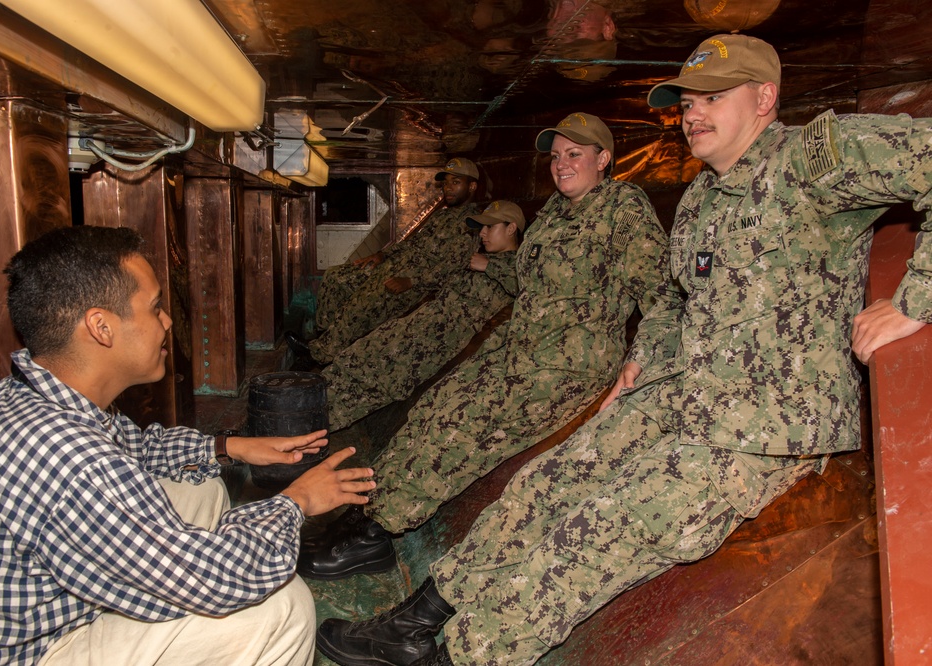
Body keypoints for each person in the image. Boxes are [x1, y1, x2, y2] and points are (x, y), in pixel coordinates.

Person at [313, 33, 932, 666]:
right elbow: (675, 299)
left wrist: (912, 301)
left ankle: (465, 656)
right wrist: (639, 361)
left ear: (765, 97)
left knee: (595, 536)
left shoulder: (812, 160)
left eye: (713, 98)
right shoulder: (699, 200)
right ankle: (420, 618)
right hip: (678, 392)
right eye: (687, 102)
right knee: (543, 485)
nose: (693, 114)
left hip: (761, 424)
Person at [0, 226, 377, 665]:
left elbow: (137, 449)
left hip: (38, 611)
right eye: (155, 307)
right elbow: (217, 577)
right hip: (24, 653)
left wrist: (231, 447)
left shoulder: (30, 395)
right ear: (101, 327)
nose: (167, 321)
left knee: (196, 490)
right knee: (281, 608)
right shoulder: (68, 458)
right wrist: (297, 500)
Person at [300, 112, 675, 588]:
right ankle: (366, 514)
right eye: (556, 156)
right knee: (435, 407)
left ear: (603, 159)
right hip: (520, 345)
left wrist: (639, 362)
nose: (561, 165)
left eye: (574, 155)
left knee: (464, 425)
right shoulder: (555, 215)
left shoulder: (623, 207)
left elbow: (662, 294)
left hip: (566, 364)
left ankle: (379, 533)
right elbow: (525, 281)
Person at [323, 199, 524, 432]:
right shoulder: (478, 258)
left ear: (511, 229)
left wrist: (489, 266)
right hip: (422, 321)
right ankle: (309, 402)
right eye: (481, 227)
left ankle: (317, 424)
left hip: (438, 338)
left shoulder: (517, 266)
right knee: (356, 354)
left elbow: (529, 286)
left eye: (490, 227)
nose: (482, 233)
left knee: (377, 378)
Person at [286, 157, 482, 366]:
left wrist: (412, 282)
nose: (448, 188)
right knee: (336, 277)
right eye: (446, 183)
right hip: (394, 266)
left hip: (412, 282)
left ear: (471, 186)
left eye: (455, 182)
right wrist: (382, 254)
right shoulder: (442, 217)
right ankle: (328, 340)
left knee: (362, 302)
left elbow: (452, 268)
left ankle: (318, 355)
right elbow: (411, 245)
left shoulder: (471, 223)